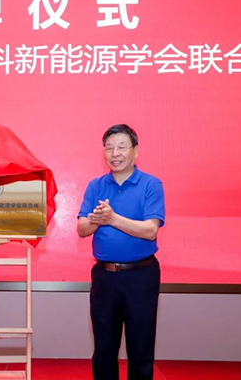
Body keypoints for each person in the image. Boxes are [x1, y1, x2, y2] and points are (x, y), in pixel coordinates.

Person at [77, 124, 165, 380]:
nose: (115, 153)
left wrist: (113, 218)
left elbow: (150, 230)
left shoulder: (150, 184)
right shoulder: (95, 186)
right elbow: (82, 229)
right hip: (104, 277)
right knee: (104, 347)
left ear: (135, 151)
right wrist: (98, 219)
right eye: (109, 148)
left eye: (122, 147)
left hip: (141, 276)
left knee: (141, 346)